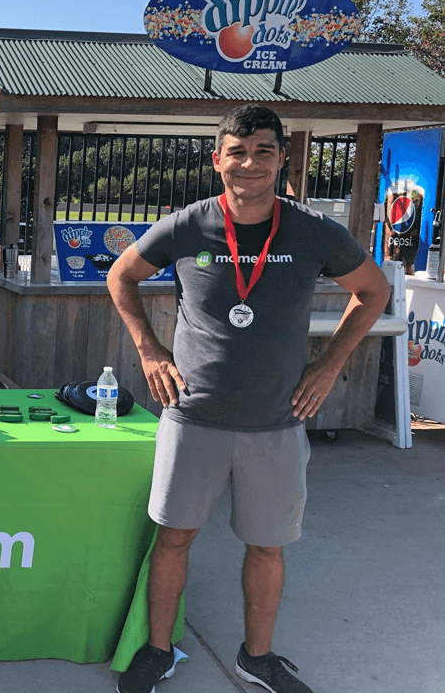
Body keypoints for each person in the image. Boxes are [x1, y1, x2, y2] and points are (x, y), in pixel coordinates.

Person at [107, 104, 389, 693]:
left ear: (282, 159)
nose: (250, 163)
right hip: (194, 416)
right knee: (174, 537)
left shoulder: (311, 229)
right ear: (217, 161)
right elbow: (121, 275)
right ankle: (158, 651)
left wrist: (329, 363)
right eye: (237, 152)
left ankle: (255, 659)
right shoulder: (190, 224)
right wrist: (150, 350)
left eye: (263, 151)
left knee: (266, 547)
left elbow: (373, 290)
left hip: (275, 421)